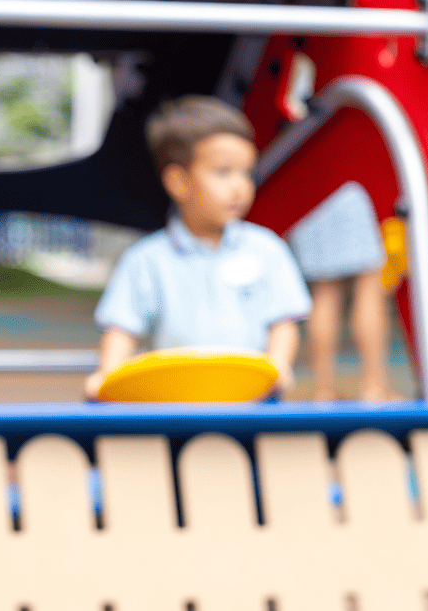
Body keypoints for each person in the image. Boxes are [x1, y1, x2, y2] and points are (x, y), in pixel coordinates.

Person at [84, 95, 310, 398]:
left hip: (251, 396)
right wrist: (108, 374)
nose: (239, 186)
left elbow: (283, 323)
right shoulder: (146, 260)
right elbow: (122, 329)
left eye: (247, 173)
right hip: (175, 399)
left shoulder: (267, 249)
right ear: (179, 182)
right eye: (223, 172)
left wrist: (279, 365)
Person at [287, 181, 393, 401]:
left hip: (306, 193)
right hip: (348, 187)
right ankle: (374, 385)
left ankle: (323, 388)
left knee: (324, 288)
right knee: (369, 282)